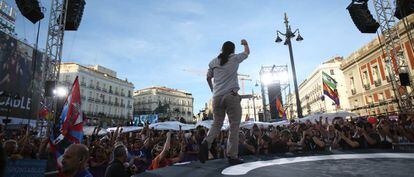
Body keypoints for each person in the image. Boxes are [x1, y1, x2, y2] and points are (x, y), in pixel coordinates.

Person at [200, 39, 250, 165]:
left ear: (222, 49)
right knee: (234, 126)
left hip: (216, 97)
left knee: (216, 124)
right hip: (231, 96)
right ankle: (232, 156)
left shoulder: (213, 62)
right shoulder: (234, 58)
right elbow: (247, 53)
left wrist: (213, 90)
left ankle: (206, 142)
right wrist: (245, 44)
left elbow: (208, 77)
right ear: (232, 50)